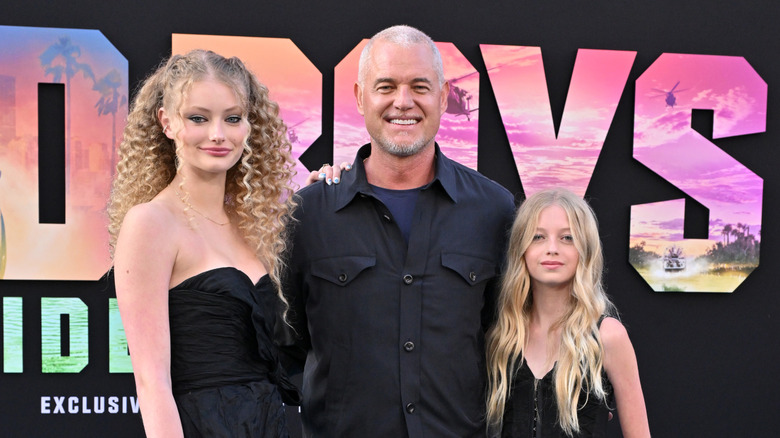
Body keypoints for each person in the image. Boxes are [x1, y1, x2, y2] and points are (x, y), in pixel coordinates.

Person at [280, 25, 516, 437]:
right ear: (360, 97)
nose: (403, 102)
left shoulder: (493, 210)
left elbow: (510, 334)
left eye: (419, 87)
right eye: (385, 86)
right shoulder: (309, 215)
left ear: (442, 96)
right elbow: (287, 344)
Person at [108, 49, 300, 437]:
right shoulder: (150, 224)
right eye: (198, 118)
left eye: (233, 118)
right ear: (167, 122)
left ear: (249, 125)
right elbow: (151, 382)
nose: (218, 134)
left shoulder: (254, 225)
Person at [485, 188, 650, 437]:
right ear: (521, 248)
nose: (552, 248)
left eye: (567, 237)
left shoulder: (607, 336)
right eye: (538, 237)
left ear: (585, 249)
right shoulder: (503, 336)